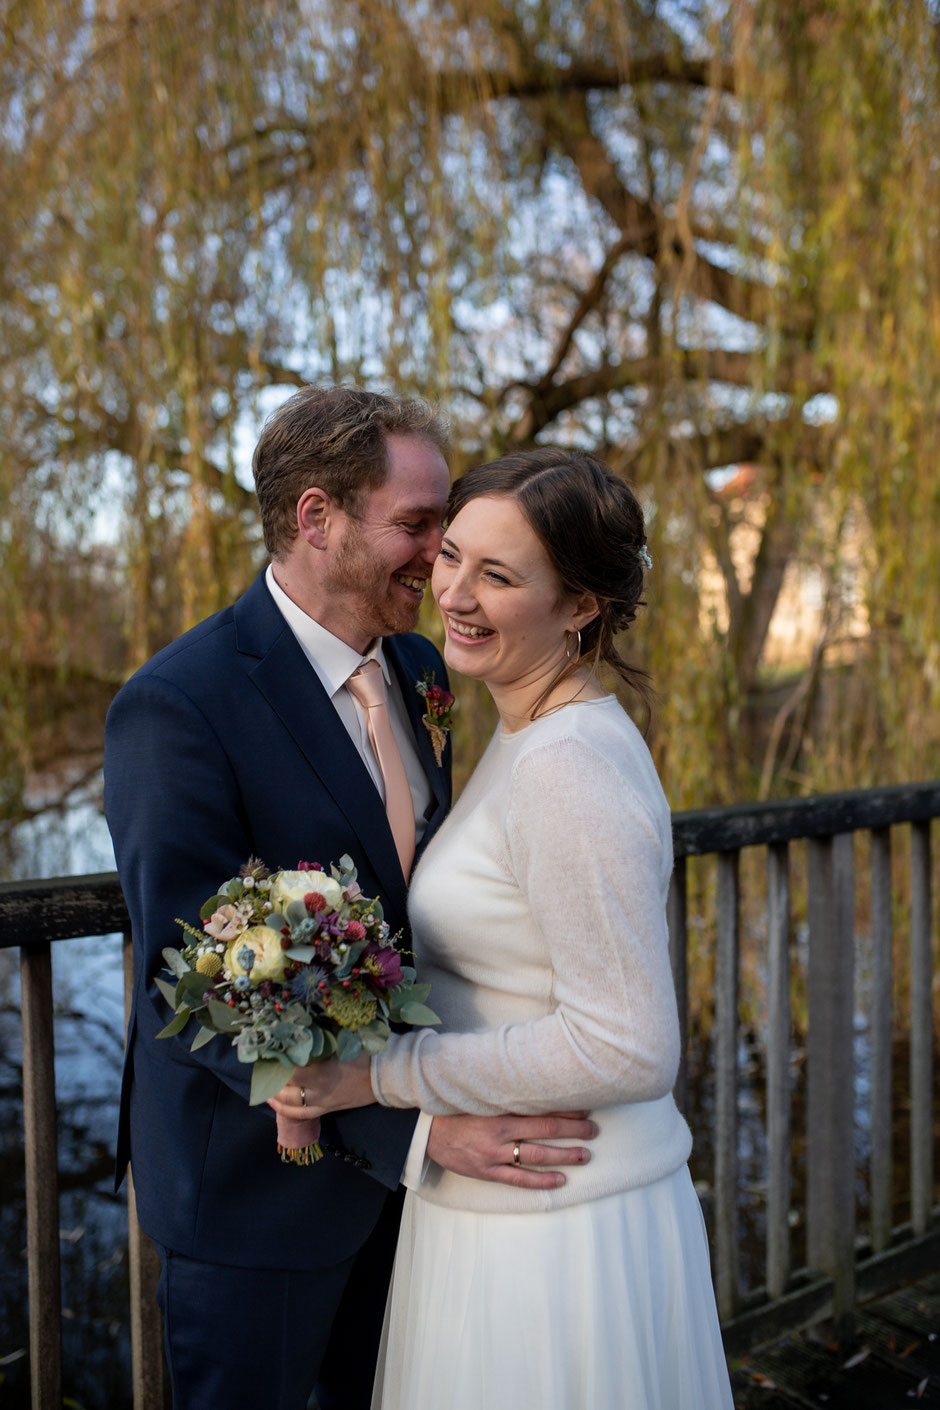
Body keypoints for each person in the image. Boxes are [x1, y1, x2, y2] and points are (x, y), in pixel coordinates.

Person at [103, 389, 598, 1410]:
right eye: (418, 527)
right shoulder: (178, 705)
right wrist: (415, 1133)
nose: (442, 560)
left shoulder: (421, 667)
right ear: (316, 518)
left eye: (448, 524)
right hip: (259, 1198)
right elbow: (184, 985)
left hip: (416, 1190)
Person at [271, 445, 735, 1409]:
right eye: (453, 556)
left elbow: (627, 1042)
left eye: (500, 574)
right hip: (515, 1213)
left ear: (579, 607)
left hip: (558, 1239)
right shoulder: (527, 729)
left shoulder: (569, 764)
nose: (456, 594)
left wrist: (384, 1076)